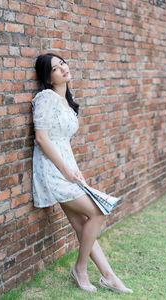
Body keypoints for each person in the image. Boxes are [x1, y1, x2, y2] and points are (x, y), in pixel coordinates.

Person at [31, 52, 133, 293]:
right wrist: (66, 171)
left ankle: (109, 277)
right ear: (48, 77)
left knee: (82, 226)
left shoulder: (67, 99)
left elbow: (63, 141)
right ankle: (80, 269)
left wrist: (75, 170)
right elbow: (42, 138)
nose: (63, 68)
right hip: (52, 170)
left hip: (67, 169)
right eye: (56, 68)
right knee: (98, 212)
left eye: (63, 63)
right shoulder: (45, 98)